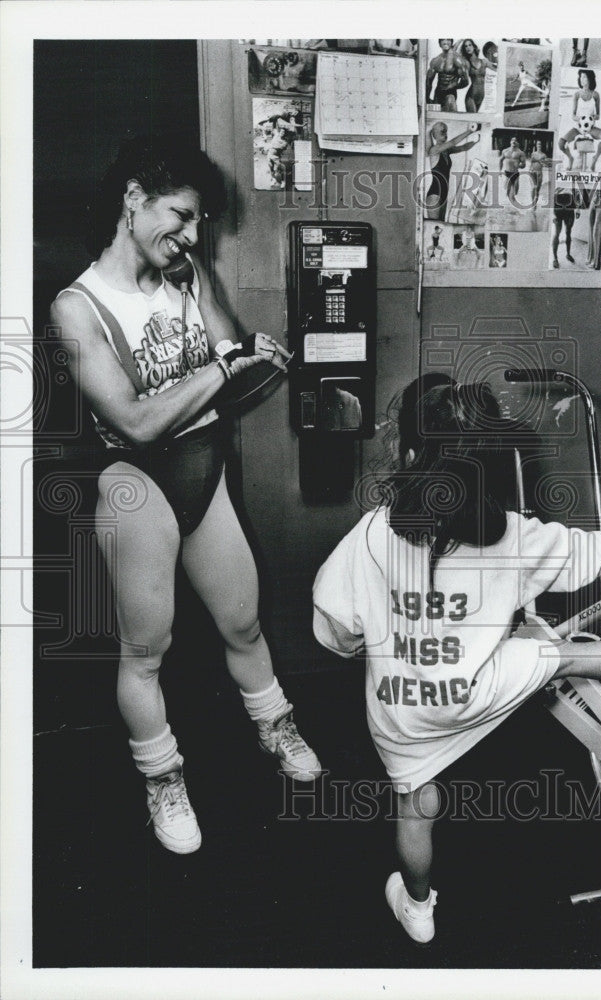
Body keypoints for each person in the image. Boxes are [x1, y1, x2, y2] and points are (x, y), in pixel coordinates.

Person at [312, 379, 601, 943]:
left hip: (404, 711)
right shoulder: (510, 537)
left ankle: (418, 908)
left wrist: (364, 646)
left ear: (405, 455)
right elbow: (580, 553)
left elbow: (332, 624)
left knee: (418, 803)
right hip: (479, 686)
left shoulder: (372, 533)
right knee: (560, 656)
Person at [50, 136, 322, 855]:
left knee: (243, 622)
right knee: (147, 649)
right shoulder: (76, 307)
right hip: (136, 481)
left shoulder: (184, 272)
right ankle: (162, 776)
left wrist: (243, 349)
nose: (193, 235)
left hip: (205, 468)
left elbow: (228, 357)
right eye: (182, 216)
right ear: (134, 200)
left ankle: (277, 727)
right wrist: (225, 365)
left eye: (200, 222)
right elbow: (136, 421)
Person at [425, 120, 481, 221]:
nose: (445, 134)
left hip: (443, 194)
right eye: (442, 132)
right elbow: (453, 142)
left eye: (446, 131)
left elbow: (463, 147)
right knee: (434, 226)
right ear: (434, 135)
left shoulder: (446, 150)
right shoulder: (434, 150)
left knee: (442, 225)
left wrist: (475, 142)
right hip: (434, 195)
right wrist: (470, 131)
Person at [558, 69, 601, 171]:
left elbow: (598, 115)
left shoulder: (595, 95)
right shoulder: (577, 95)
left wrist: (592, 118)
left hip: (591, 128)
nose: (582, 79)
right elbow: (573, 115)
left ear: (589, 79)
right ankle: (570, 158)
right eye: (580, 77)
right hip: (578, 127)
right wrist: (580, 119)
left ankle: (595, 159)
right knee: (561, 143)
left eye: (584, 77)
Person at [425, 38, 470, 111]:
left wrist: (453, 86)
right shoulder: (436, 60)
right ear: (439, 43)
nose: (445, 42)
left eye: (448, 39)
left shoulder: (457, 59)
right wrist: (427, 98)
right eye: (443, 40)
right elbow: (428, 81)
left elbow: (465, 81)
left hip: (450, 94)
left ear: (451, 42)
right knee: (436, 118)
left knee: (451, 116)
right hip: (438, 93)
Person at [457, 39, 488, 112]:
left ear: (474, 47)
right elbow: (464, 81)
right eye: (465, 46)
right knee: (473, 120)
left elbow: (498, 67)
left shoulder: (483, 61)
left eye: (470, 45)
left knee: (476, 121)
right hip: (471, 97)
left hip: (481, 96)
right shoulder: (466, 64)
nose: (468, 47)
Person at [499, 136, 527, 204]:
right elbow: (500, 160)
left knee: (515, 192)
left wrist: (520, 166)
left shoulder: (520, 153)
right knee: (507, 190)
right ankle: (508, 205)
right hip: (507, 173)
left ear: (517, 143)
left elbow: (524, 164)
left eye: (515, 140)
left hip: (515, 173)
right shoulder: (505, 151)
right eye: (512, 140)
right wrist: (499, 170)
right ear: (510, 142)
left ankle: (512, 202)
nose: (514, 141)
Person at [528, 139, 547, 208]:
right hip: (532, 172)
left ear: (541, 146)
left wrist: (543, 163)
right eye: (538, 144)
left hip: (539, 173)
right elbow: (531, 163)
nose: (539, 145)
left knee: (538, 190)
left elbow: (545, 164)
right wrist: (529, 171)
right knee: (533, 187)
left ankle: (535, 203)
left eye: (540, 144)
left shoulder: (544, 155)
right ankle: (532, 202)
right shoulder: (533, 154)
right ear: (536, 145)